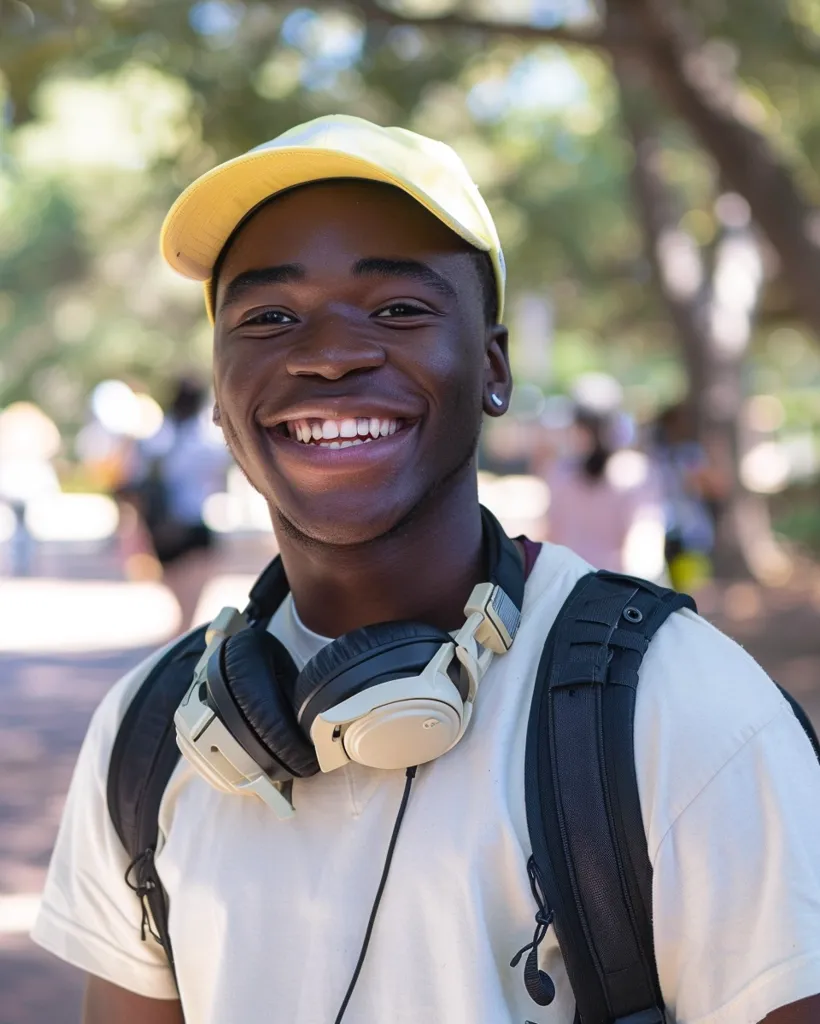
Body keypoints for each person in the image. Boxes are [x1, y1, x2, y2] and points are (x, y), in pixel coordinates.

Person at [31, 115, 820, 1024]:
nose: (328, 354)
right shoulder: (148, 731)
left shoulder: (685, 707)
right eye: (270, 317)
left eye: (399, 310)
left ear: (493, 367)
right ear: (217, 392)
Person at [120, 375, 230, 630]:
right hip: (193, 525)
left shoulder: (155, 438)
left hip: (162, 529)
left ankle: (179, 651)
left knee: (182, 608)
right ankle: (180, 658)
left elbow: (133, 482)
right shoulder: (205, 440)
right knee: (190, 611)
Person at [543, 379, 665, 580]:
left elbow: (643, 552)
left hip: (577, 591)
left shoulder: (634, 474)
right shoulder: (561, 473)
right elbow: (646, 557)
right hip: (614, 595)